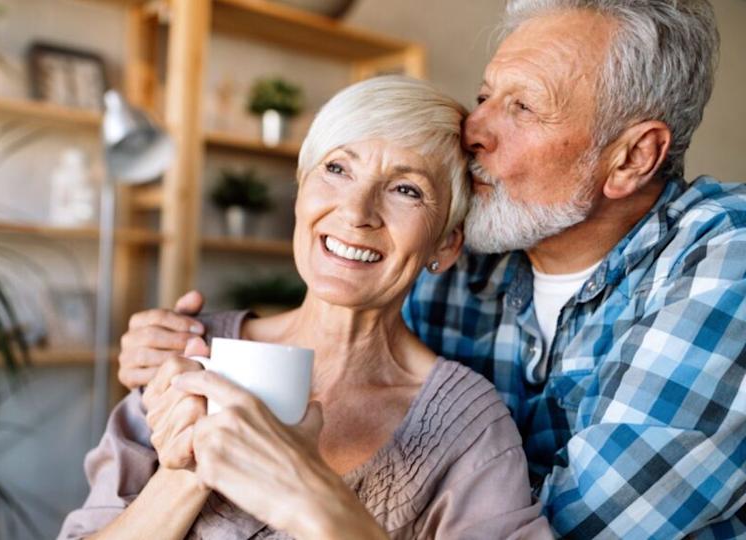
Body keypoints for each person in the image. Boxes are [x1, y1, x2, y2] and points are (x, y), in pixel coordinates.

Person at [114, 1, 746, 538]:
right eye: (485, 96)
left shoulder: (724, 262)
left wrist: (305, 487)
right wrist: (179, 347)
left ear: (632, 157)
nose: (474, 129)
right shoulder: (473, 252)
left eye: (523, 108)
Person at [59, 76, 552, 539]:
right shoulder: (188, 353)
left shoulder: (468, 425)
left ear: (445, 243)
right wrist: (184, 473)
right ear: (302, 190)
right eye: (337, 169)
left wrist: (310, 497)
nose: (355, 212)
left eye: (407, 190)